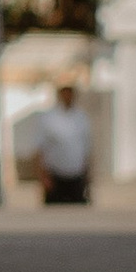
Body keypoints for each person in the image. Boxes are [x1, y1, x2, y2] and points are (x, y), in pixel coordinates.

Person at [36, 77, 93, 208]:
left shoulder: (81, 117)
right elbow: (40, 149)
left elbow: (86, 149)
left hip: (76, 176)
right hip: (56, 177)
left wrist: (88, 177)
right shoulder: (50, 118)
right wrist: (43, 177)